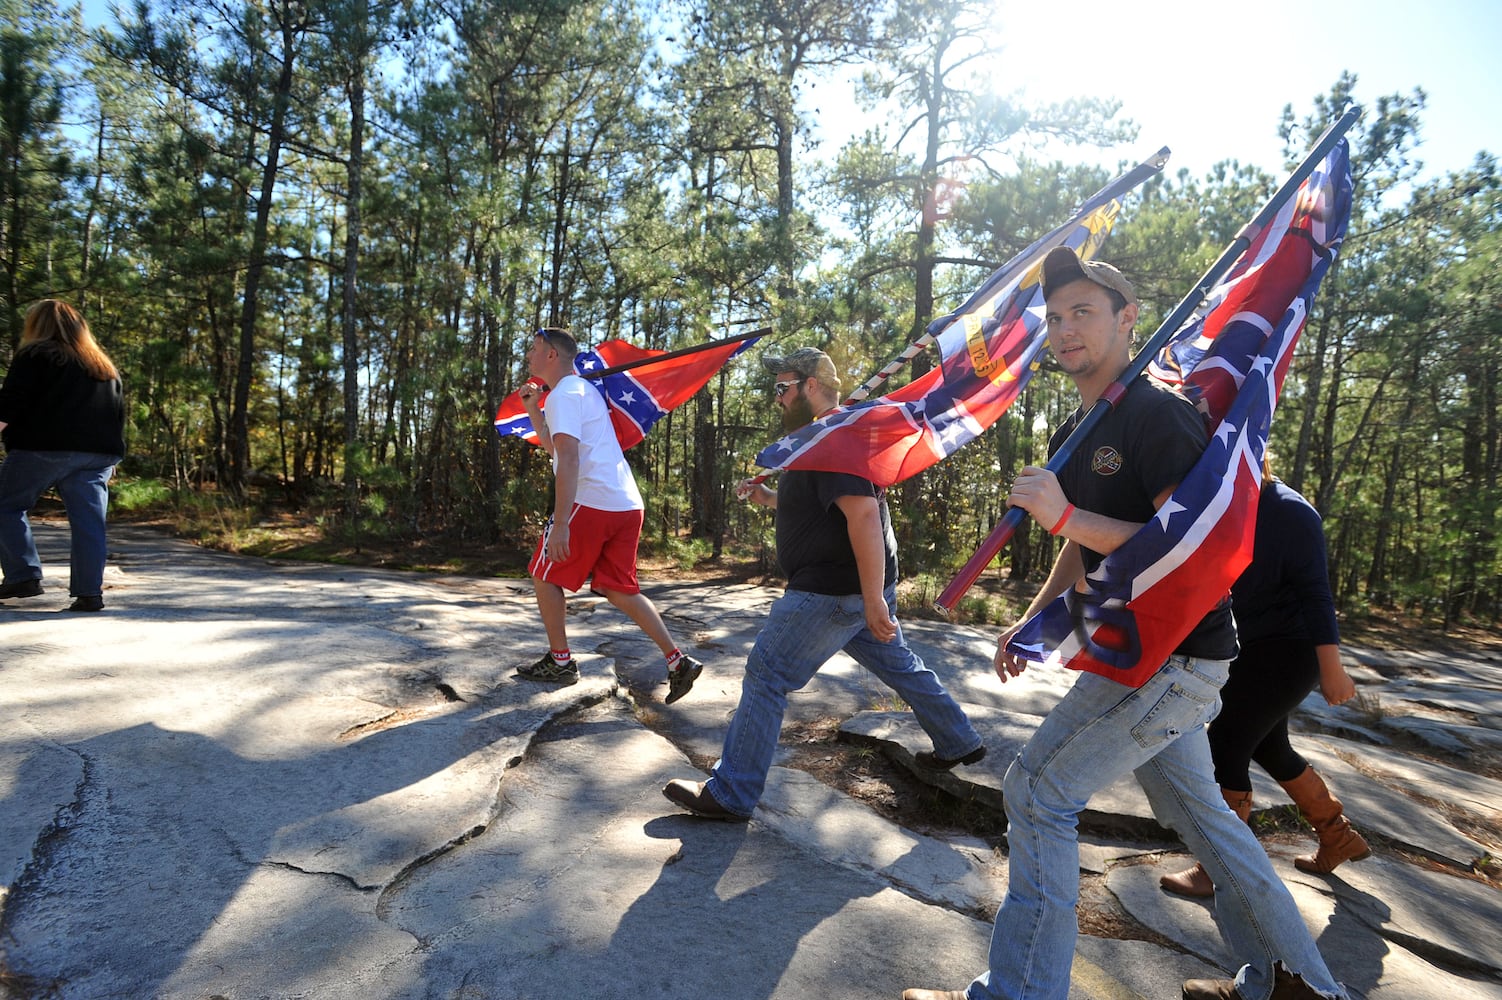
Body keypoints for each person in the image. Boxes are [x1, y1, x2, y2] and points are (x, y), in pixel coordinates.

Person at [903, 248, 1347, 1000]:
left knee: (1037, 791)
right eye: (1058, 315)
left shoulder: (1157, 414)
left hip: (1172, 659)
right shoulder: (1076, 431)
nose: (1066, 328)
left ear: (1127, 320)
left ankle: (1019, 992)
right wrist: (1037, 616)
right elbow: (1082, 544)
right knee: (1204, 819)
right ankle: (1294, 982)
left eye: (1085, 312)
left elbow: (1191, 545)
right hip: (1145, 655)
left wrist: (1064, 511)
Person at [661, 346, 985, 823]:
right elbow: (823, 510)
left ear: (810, 386)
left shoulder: (835, 440)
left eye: (782, 387)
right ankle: (959, 740)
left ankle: (731, 793)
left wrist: (873, 599)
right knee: (901, 667)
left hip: (832, 593)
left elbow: (863, 513)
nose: (776, 398)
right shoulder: (821, 438)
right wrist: (769, 496)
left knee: (767, 676)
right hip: (851, 592)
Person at [1160, 471, 1367, 899]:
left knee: (1227, 746)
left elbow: (1317, 593)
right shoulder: (1218, 502)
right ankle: (1337, 835)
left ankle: (1222, 866)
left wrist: (1333, 668)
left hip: (1291, 652)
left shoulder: (1291, 512)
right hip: (1250, 646)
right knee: (1271, 747)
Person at [515, 327, 703, 702]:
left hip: (592, 499)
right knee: (619, 589)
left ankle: (561, 661)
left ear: (552, 355)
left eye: (535, 349)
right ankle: (677, 661)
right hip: (626, 503)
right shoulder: (582, 391)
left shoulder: (565, 395)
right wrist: (535, 409)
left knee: (544, 573)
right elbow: (557, 450)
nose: (530, 356)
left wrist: (562, 523)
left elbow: (568, 459)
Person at [0, 299, 126, 613]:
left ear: (37, 326)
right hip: (98, 454)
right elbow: (117, 414)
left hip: (44, 448)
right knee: (89, 523)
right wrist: (112, 459)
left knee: (5, 505)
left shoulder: (36, 354)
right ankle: (89, 594)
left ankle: (23, 575)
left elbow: (10, 403)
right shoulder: (103, 366)